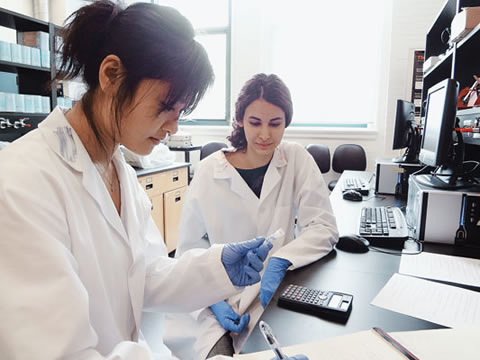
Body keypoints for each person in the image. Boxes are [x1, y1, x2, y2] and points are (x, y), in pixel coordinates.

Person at [0, 2, 278, 359]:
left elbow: (146, 275)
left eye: (180, 113)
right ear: (112, 75)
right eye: (167, 107)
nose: (173, 127)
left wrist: (217, 267)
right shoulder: (22, 183)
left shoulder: (119, 171)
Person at [168, 73, 338, 359]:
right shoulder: (210, 170)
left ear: (287, 122)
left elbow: (323, 226)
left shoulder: (295, 158)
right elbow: (188, 249)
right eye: (255, 123)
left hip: (270, 294)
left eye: (275, 124)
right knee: (218, 352)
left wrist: (283, 259)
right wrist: (214, 301)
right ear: (240, 121)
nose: (265, 135)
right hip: (213, 299)